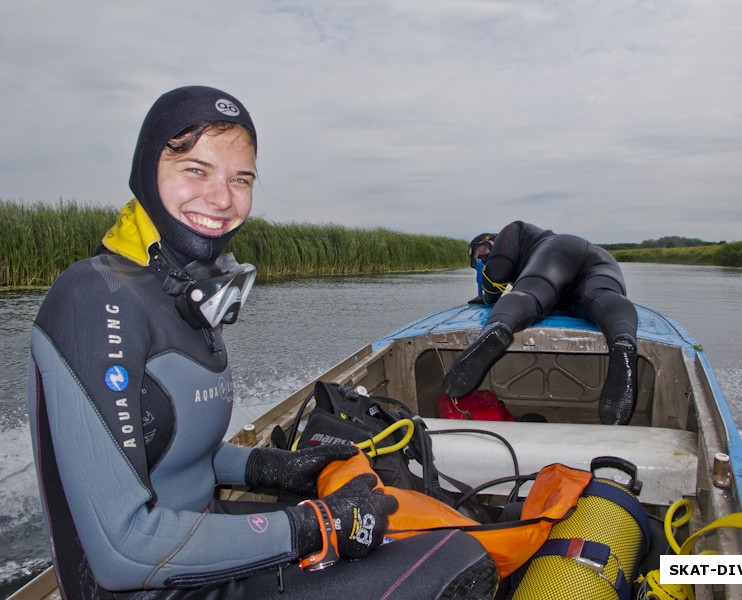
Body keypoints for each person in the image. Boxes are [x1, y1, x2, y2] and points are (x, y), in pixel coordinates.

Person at [28, 85, 497, 599]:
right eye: (196, 170)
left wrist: (271, 466)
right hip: (151, 584)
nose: (223, 198)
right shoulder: (96, 296)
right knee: (452, 562)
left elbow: (173, 453)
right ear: (146, 171)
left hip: (202, 546)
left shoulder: (184, 290)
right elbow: (123, 553)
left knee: (427, 532)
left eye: (241, 179)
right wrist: (311, 527)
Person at [442, 221, 639, 425]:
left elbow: (497, 273)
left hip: (557, 252)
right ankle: (622, 339)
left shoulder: (514, 229)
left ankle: (498, 326)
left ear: (492, 240)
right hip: (603, 263)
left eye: (482, 250)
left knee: (528, 295)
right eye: (477, 259)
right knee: (604, 297)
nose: (482, 257)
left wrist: (488, 299)